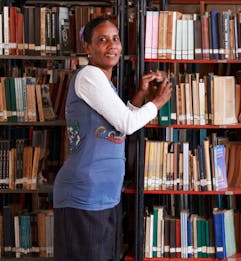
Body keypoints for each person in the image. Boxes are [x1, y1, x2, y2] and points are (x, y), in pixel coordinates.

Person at [53, 16, 171, 261]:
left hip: (104, 194)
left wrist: (140, 95)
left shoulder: (105, 84)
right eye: (102, 40)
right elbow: (127, 124)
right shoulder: (89, 75)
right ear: (88, 48)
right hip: (84, 194)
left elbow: (119, 123)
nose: (112, 45)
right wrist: (157, 103)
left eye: (115, 39)